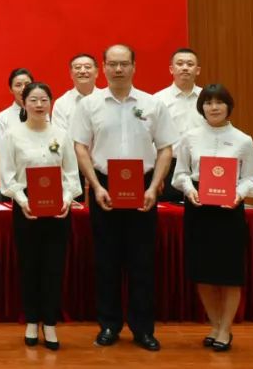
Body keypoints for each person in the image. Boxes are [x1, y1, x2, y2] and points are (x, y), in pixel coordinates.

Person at [71, 44, 178, 352]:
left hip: (143, 189)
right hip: (104, 187)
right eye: (113, 64)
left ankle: (143, 329)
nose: (118, 69)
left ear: (134, 67)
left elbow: (166, 148)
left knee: (142, 262)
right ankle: (109, 325)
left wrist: (153, 187)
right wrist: (95, 186)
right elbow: (80, 147)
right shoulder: (89, 105)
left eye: (124, 64)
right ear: (104, 67)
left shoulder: (153, 104)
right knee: (106, 261)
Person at [172, 84, 253, 352]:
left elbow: (252, 179)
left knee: (229, 274)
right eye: (208, 102)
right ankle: (215, 324)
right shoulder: (189, 137)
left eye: (219, 102)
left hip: (229, 211)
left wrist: (238, 194)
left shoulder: (243, 140)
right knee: (203, 273)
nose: (214, 107)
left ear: (228, 106)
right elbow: (180, 174)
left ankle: (225, 329)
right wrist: (189, 190)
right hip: (199, 209)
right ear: (202, 107)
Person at [0, 82, 81, 350]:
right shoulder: (12, 135)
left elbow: (72, 175)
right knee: (29, 267)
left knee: (54, 267)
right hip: (27, 210)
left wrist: (66, 200)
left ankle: (50, 323)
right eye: (33, 100)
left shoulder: (62, 135)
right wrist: (23, 201)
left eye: (44, 99)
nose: (39, 104)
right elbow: (7, 176)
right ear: (24, 103)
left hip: (58, 211)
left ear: (50, 103)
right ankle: (32, 321)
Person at [155, 48, 203, 202]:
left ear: (197, 70)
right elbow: (150, 138)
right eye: (180, 63)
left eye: (190, 64)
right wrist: (157, 175)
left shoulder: (208, 99)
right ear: (171, 69)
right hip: (169, 166)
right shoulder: (158, 100)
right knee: (169, 211)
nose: (185, 67)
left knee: (201, 211)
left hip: (201, 166)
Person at [51, 54, 99, 133]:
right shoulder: (61, 103)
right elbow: (60, 135)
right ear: (71, 74)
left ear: (96, 72)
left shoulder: (106, 99)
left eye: (87, 67)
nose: (82, 71)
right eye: (77, 67)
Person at [0, 68, 34, 152]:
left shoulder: (42, 114)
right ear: (11, 89)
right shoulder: (3, 117)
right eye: (18, 85)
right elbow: (3, 151)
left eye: (27, 84)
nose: (24, 88)